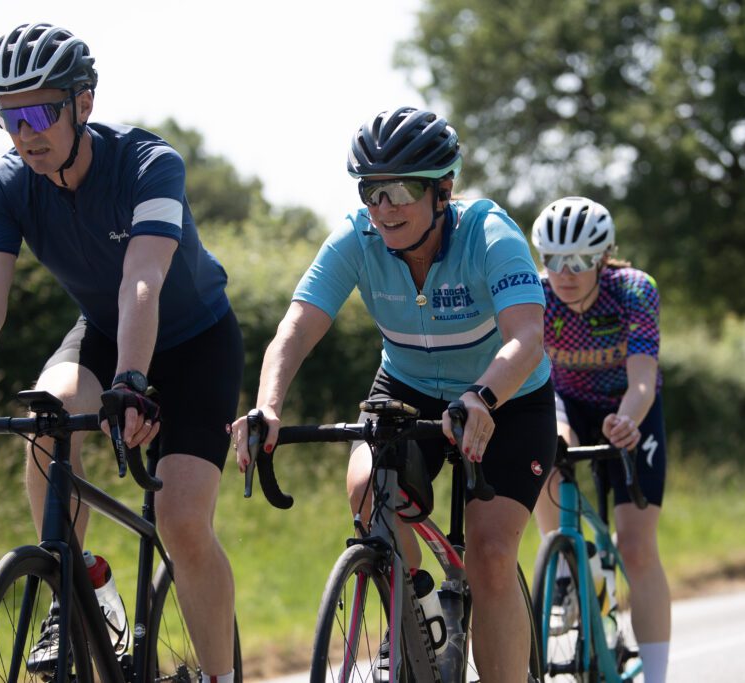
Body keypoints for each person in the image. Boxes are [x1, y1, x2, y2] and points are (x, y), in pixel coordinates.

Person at [0, 23, 243, 682]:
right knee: (46, 411)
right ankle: (79, 582)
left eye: (38, 111)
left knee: (181, 518)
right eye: (7, 115)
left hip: (195, 341)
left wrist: (134, 380)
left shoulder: (149, 163)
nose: (23, 131)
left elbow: (144, 277)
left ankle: (224, 676)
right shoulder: (5, 184)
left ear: (83, 103)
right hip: (106, 330)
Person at [230, 107, 556, 683]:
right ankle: (418, 617)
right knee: (365, 494)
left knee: (490, 556)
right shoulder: (357, 238)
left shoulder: (488, 232)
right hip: (405, 390)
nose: (384, 207)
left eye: (401, 190)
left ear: (442, 190)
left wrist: (483, 396)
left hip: (507, 398)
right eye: (372, 191)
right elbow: (297, 328)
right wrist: (269, 405)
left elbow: (528, 337)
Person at [530, 196, 671, 683]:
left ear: (604, 257)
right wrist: (555, 426)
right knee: (544, 448)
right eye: (553, 260)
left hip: (628, 411)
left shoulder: (633, 291)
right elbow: (532, 378)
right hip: (565, 403)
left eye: (580, 260)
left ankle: (655, 676)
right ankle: (565, 563)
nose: (565, 273)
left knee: (636, 548)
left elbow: (643, 383)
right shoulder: (536, 294)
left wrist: (628, 420)